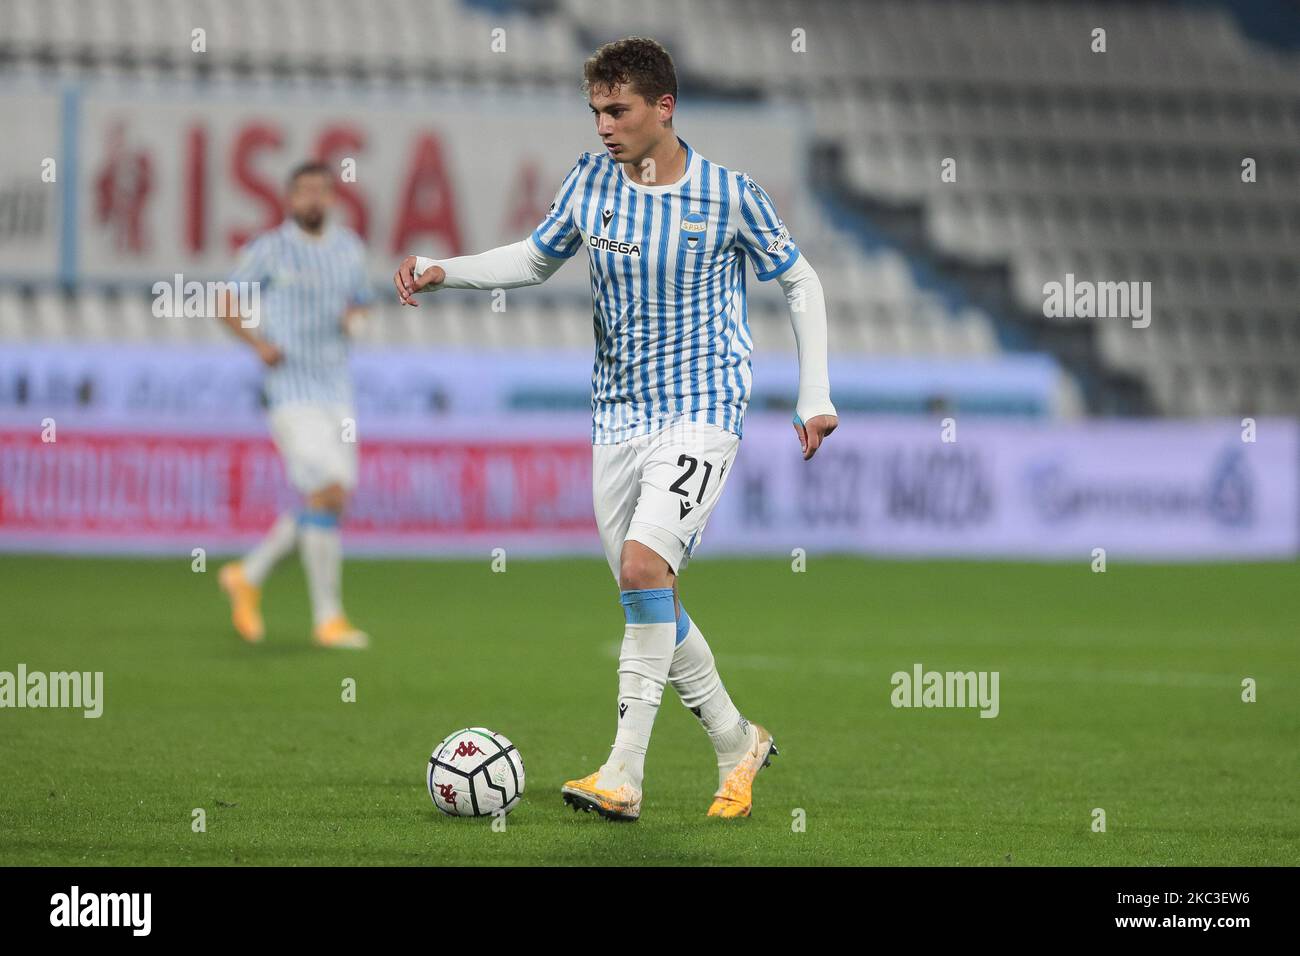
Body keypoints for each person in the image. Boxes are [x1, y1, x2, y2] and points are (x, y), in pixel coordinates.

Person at [393, 37, 837, 819]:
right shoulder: (592, 180)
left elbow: (798, 279)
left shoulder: (729, 195)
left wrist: (814, 393)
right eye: (596, 110)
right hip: (616, 415)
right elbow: (535, 260)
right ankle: (738, 743)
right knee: (650, 594)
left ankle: (622, 776)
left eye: (618, 110)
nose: (604, 125)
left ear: (664, 108)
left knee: (641, 571)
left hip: (702, 409)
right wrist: (445, 269)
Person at [217, 161, 374, 650]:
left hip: (336, 389)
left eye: (320, 191)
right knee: (327, 490)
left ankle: (248, 574)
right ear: (289, 198)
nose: (312, 199)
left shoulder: (349, 248)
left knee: (331, 498)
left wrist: (354, 317)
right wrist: (258, 344)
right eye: (303, 191)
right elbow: (226, 300)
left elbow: (361, 301)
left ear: (331, 198)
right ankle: (328, 618)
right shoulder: (270, 249)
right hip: (290, 391)